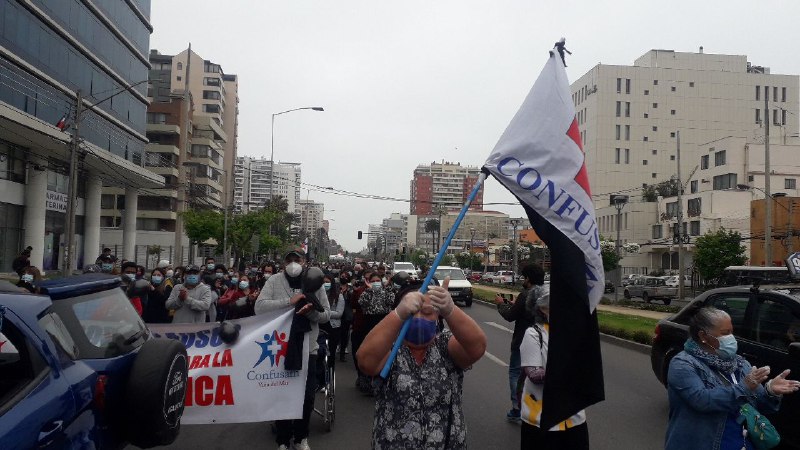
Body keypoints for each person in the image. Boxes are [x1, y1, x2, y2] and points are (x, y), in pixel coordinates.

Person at [357, 278, 487, 449]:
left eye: (427, 312)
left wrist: (450, 310)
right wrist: (398, 314)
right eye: (411, 314)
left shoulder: (444, 345)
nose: (419, 319)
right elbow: (366, 361)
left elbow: (477, 347)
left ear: (437, 315)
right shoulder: (390, 347)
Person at [665, 307, 800, 450]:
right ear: (703, 336)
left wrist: (771, 391)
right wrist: (744, 387)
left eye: (731, 332)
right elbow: (701, 400)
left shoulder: (740, 364)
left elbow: (760, 405)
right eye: (725, 333)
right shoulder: (683, 364)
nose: (731, 338)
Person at [255, 250, 331, 450]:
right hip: (280, 348)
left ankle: (301, 437)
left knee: (306, 397)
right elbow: (260, 307)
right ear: (283, 263)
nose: (293, 263)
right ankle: (282, 439)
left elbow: (326, 315)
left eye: (297, 260)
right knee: (282, 395)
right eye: (289, 260)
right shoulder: (274, 281)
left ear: (304, 262)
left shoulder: (315, 283)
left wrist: (311, 311)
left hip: (309, 347)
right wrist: (289, 303)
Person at [518, 285, 589, 449]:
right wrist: (567, 372)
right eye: (552, 305)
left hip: (574, 417)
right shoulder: (534, 333)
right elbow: (534, 375)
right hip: (541, 419)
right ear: (542, 309)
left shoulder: (571, 333)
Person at [494, 263, 546, 422]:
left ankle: (517, 409)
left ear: (528, 278)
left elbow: (510, 316)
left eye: (524, 277)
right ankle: (537, 407)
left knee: (516, 373)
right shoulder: (545, 294)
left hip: (522, 342)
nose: (523, 280)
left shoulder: (525, 295)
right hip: (542, 341)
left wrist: (500, 303)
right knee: (536, 375)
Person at [356, 271, 395, 394]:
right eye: (373, 281)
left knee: (384, 352)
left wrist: (385, 287)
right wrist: (370, 290)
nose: (375, 283)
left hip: (383, 321)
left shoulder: (387, 291)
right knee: (370, 350)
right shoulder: (366, 293)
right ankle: (366, 381)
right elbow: (361, 303)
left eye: (378, 281)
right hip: (369, 322)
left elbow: (391, 301)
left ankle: (382, 380)